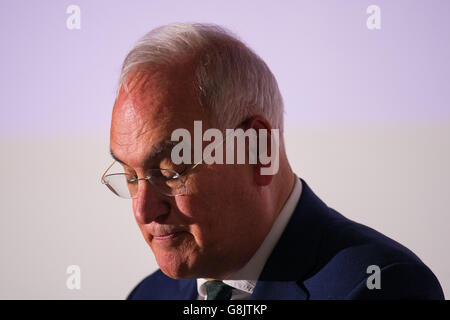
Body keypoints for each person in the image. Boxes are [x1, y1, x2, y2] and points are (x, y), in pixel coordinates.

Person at [102, 23, 444, 300]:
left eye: (170, 171)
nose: (143, 211)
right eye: (131, 176)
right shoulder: (148, 295)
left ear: (257, 149)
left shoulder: (381, 287)